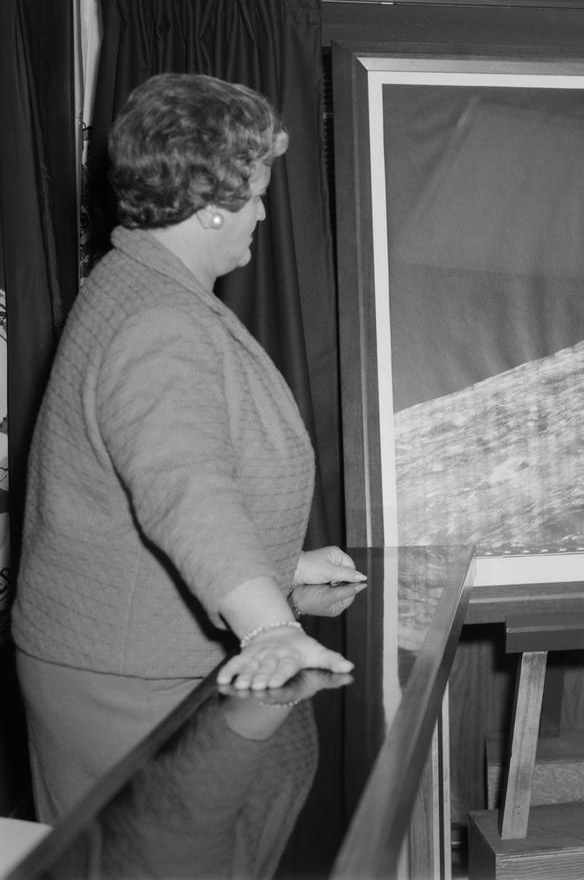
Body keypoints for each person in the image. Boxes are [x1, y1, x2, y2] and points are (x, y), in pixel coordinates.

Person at [12, 73, 365, 823]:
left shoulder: (144, 285)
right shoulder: (159, 322)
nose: (264, 213)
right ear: (211, 206)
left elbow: (150, 478)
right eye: (258, 191)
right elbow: (184, 486)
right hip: (124, 679)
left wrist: (278, 564)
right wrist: (271, 625)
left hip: (129, 656)